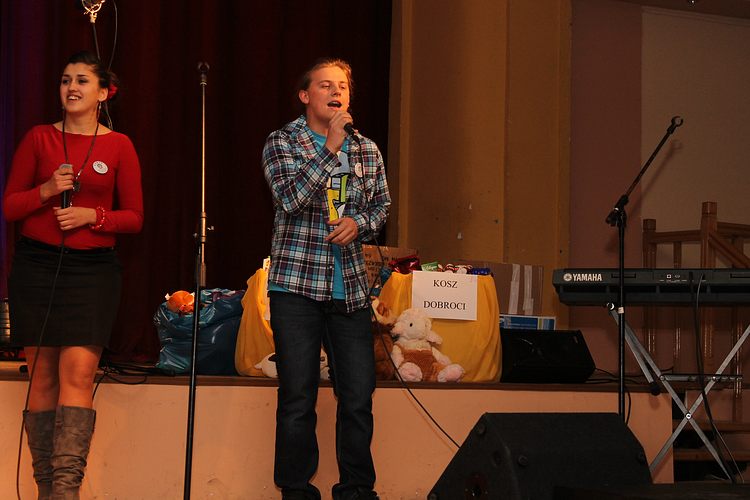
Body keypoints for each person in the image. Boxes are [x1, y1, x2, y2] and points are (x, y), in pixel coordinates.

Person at [2, 50, 143, 499]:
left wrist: (92, 216)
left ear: (104, 93)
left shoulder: (119, 145)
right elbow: (10, 207)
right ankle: (47, 491)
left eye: (82, 80)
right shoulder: (39, 138)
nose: (72, 88)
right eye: (65, 80)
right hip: (36, 267)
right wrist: (46, 190)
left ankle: (67, 491)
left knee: (79, 375)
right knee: (41, 376)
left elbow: (134, 217)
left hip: (92, 272)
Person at [262, 58, 390, 500]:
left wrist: (359, 223)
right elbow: (290, 198)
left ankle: (357, 489)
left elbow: (381, 206)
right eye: (325, 85)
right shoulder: (283, 141)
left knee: (357, 397)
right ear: (305, 95)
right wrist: (330, 149)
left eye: (343, 86)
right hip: (296, 288)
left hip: (349, 289)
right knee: (298, 398)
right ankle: (296, 490)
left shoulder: (366, 149)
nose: (337, 93)